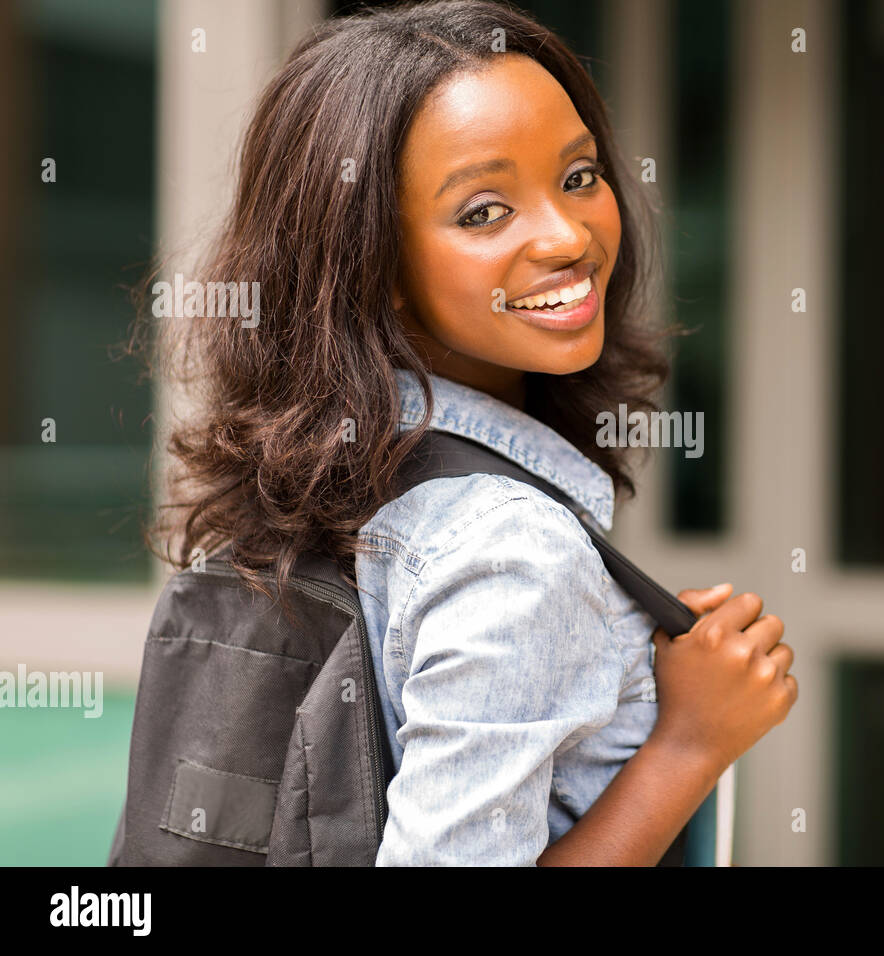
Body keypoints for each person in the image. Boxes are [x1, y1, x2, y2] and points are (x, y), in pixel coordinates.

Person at [134, 0, 796, 866]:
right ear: (371, 262)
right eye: (483, 211)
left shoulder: (324, 477)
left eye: (579, 176)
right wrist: (689, 744)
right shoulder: (511, 551)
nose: (567, 236)